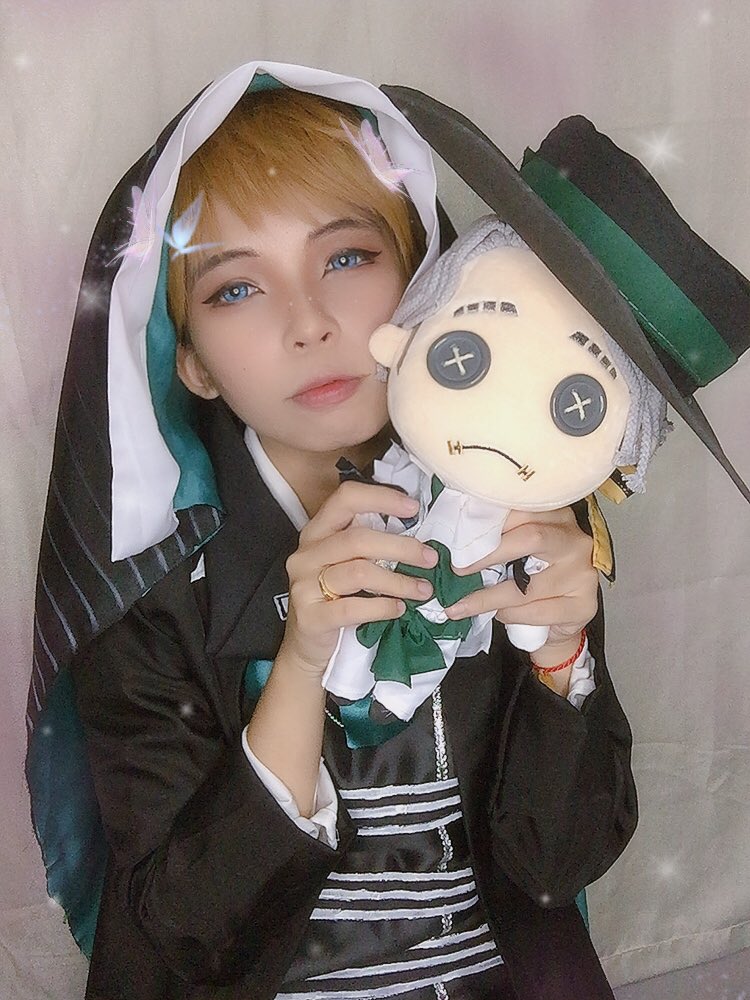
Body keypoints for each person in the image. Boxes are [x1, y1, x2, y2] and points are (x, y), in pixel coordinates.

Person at [29, 62, 636, 1000]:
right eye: (236, 289)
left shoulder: (515, 504)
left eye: (347, 258)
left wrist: (562, 656)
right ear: (190, 360)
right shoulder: (145, 586)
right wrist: (303, 659)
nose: (308, 323)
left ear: (425, 281)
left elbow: (559, 864)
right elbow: (189, 939)